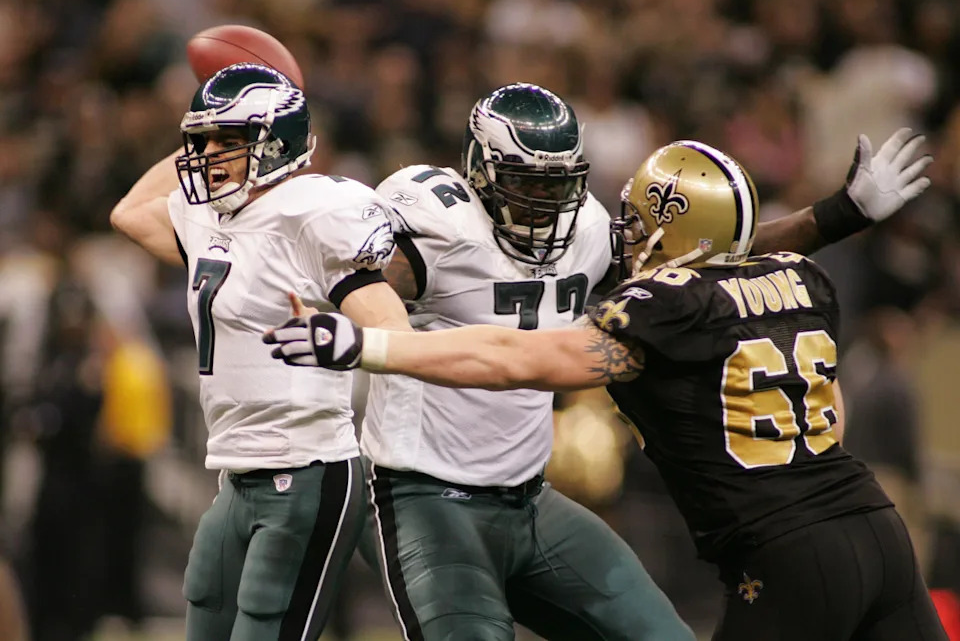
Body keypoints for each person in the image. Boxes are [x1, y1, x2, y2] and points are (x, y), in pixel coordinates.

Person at [267, 82, 936, 640]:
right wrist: (348, 320)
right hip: (425, 495)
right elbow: (351, 274)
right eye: (526, 184)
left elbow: (704, 256)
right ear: (480, 171)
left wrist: (835, 216)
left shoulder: (588, 230)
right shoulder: (434, 225)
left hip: (530, 498)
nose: (547, 204)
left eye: (558, 185)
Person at [109, 62, 411, 641]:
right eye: (202, 141)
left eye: (226, 140)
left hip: (308, 467)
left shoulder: (312, 213)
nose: (206, 155)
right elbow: (128, 214)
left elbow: (392, 329)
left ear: (276, 144)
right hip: (236, 473)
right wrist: (203, 135)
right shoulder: (210, 217)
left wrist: (342, 345)